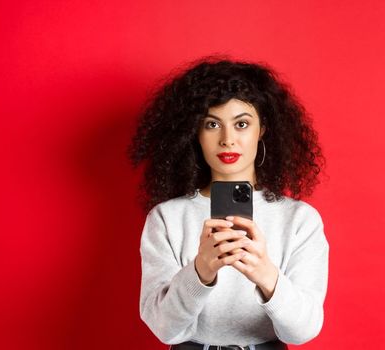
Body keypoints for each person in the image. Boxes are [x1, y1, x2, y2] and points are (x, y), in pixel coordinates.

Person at [128, 56, 329, 350]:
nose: (227, 139)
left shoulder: (300, 220)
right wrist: (200, 271)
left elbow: (303, 332)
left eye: (242, 124)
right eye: (212, 124)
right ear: (195, 133)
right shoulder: (167, 218)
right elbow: (165, 331)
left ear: (262, 130)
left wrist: (265, 273)